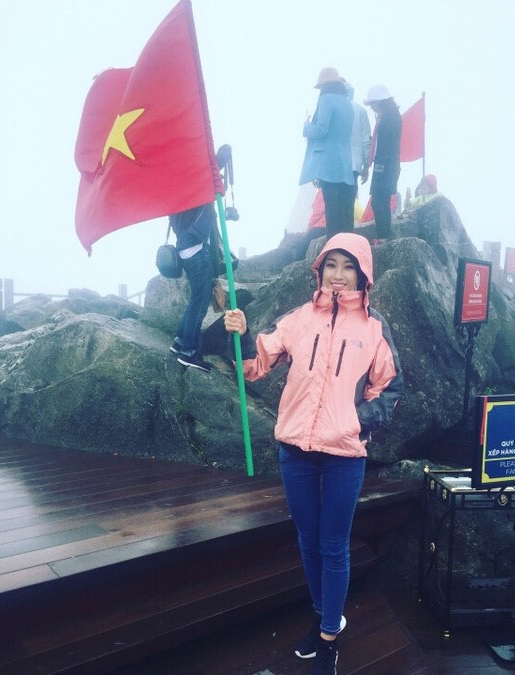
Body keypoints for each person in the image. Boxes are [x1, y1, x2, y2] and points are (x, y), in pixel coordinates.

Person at [224, 232, 403, 674]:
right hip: (295, 451)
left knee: (333, 545)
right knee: (308, 542)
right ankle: (324, 616)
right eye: (331, 265)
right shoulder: (298, 319)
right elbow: (253, 367)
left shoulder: (374, 328)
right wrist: (241, 336)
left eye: (348, 266)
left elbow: (389, 386)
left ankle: (327, 640)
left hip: (344, 454)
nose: (338, 275)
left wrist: (357, 421)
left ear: (363, 274)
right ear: (319, 270)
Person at [168, 147, 228, 372]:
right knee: (200, 304)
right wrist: (220, 160)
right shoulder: (196, 184)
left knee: (195, 300)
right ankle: (189, 353)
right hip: (196, 250)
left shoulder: (178, 185)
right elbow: (209, 181)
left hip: (184, 249)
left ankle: (180, 341)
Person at [299, 68, 355, 239]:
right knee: (344, 209)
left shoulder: (326, 99)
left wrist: (306, 127)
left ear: (323, 85)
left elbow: (322, 129)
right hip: (345, 161)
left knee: (331, 208)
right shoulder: (347, 102)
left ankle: (333, 243)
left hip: (328, 162)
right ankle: (347, 242)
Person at [364, 84, 402, 241]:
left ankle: (384, 236)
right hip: (386, 164)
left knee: (380, 201)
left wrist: (380, 165)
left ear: (380, 101)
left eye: (373, 103)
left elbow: (387, 144)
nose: (371, 107)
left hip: (385, 165)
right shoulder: (389, 116)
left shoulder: (390, 118)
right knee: (380, 200)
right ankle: (383, 235)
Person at [344, 81, 371, 203]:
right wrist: (366, 166)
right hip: (354, 165)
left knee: (333, 206)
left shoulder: (331, 109)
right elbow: (366, 141)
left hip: (334, 166)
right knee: (349, 204)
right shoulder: (361, 111)